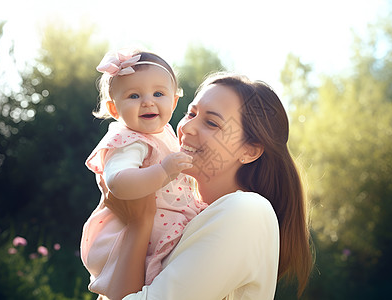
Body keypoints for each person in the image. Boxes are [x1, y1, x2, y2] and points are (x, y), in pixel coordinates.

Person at [103, 72, 313, 300]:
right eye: (191, 113)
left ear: (249, 151)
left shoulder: (246, 211)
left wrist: (138, 223)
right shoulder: (180, 220)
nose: (187, 128)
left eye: (211, 123)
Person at [80, 49, 207, 298]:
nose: (147, 102)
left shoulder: (165, 133)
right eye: (134, 95)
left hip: (158, 222)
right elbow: (117, 182)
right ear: (114, 109)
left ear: (173, 101)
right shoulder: (129, 141)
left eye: (158, 93)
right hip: (127, 231)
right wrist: (162, 171)